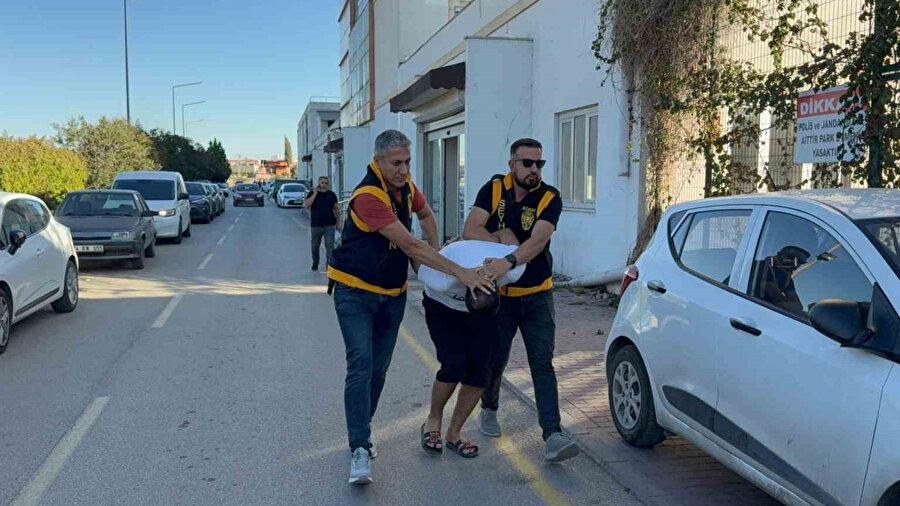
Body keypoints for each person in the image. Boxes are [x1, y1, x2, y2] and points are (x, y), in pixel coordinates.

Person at [327, 129, 494, 485]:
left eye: (407, 162)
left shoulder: (405, 188)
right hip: (354, 293)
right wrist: (457, 270)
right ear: (378, 161)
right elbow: (410, 245)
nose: (404, 170)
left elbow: (427, 216)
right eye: (396, 163)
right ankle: (359, 446)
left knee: (379, 370)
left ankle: (362, 427)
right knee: (361, 364)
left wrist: (437, 250)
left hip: (392, 293)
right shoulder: (368, 196)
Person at [463, 138, 580, 462]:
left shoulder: (549, 197)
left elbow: (538, 241)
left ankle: (553, 435)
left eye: (539, 164)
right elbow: (471, 228)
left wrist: (509, 260)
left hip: (538, 296)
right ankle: (489, 407)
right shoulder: (493, 189)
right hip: (502, 299)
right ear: (512, 164)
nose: (534, 170)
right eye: (527, 163)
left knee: (542, 363)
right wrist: (500, 239)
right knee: (495, 359)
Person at [416, 240, 526, 459]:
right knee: (453, 365)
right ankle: (433, 420)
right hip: (442, 306)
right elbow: (417, 258)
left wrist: (501, 240)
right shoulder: (441, 281)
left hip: (484, 310)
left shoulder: (511, 272)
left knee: (480, 372)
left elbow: (519, 248)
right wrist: (439, 247)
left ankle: (454, 433)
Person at [304, 176, 339, 271]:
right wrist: (315, 194)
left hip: (330, 225)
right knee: (315, 246)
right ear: (319, 183)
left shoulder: (332, 194)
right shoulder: (312, 193)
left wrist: (337, 224)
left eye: (326, 183)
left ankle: (329, 265)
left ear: (328, 185)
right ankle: (315, 261)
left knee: (330, 246)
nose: (324, 185)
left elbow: (336, 210)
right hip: (316, 226)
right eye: (322, 183)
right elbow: (306, 205)